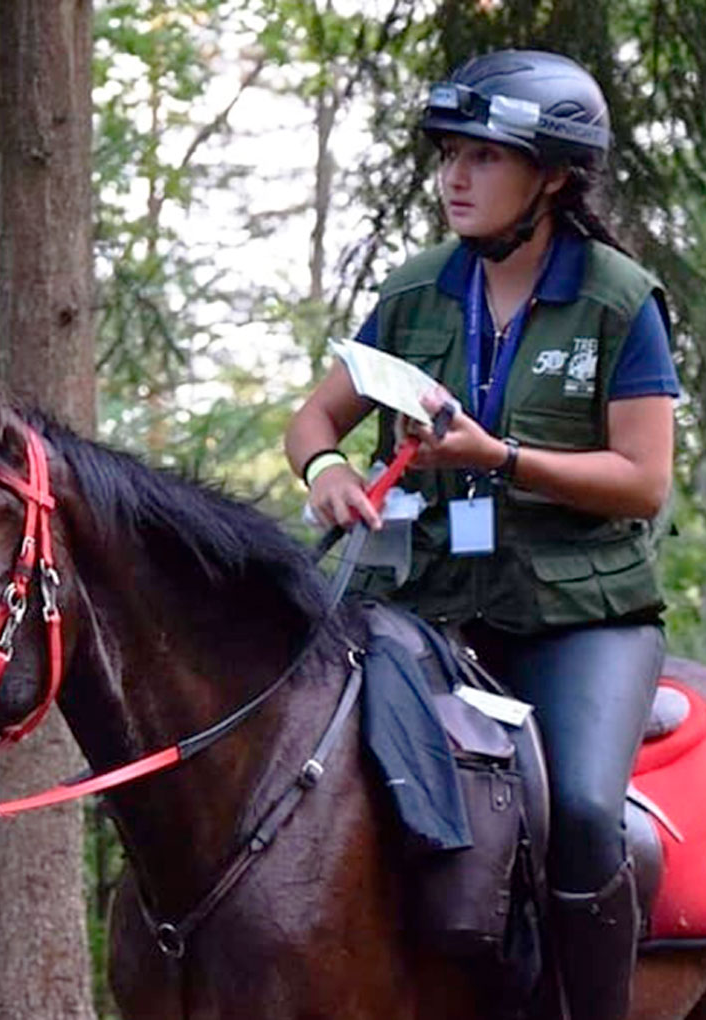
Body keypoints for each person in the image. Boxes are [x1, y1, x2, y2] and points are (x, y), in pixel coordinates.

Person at [284, 50, 678, 1020]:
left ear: (551, 176)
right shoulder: (415, 289)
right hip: (419, 613)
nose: (453, 178)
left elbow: (643, 482)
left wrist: (499, 457)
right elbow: (312, 422)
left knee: (584, 812)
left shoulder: (622, 301)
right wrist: (328, 474)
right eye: (448, 155)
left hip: (579, 618)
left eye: (484, 158)